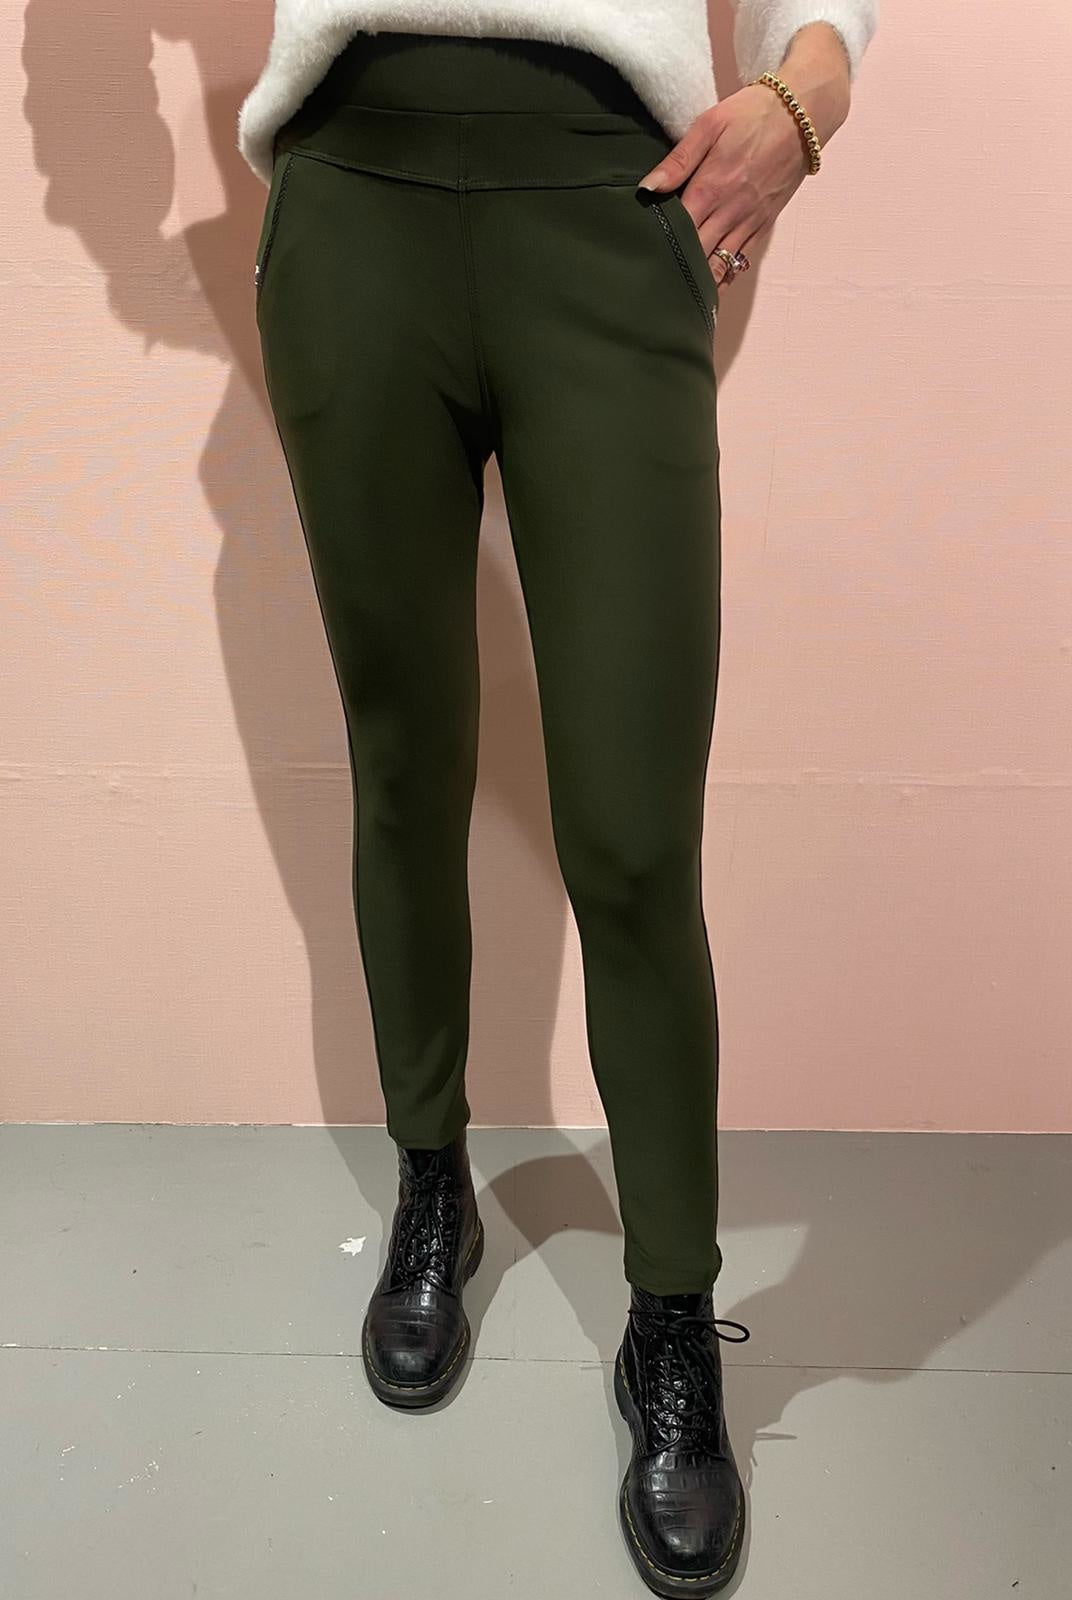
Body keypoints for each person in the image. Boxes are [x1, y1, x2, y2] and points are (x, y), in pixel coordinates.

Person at [239, 7, 876, 1595]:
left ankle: (671, 1312)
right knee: (403, 763)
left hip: (608, 207)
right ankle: (433, 1184)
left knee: (637, 835)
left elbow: (824, 34)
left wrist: (808, 96)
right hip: (352, 194)